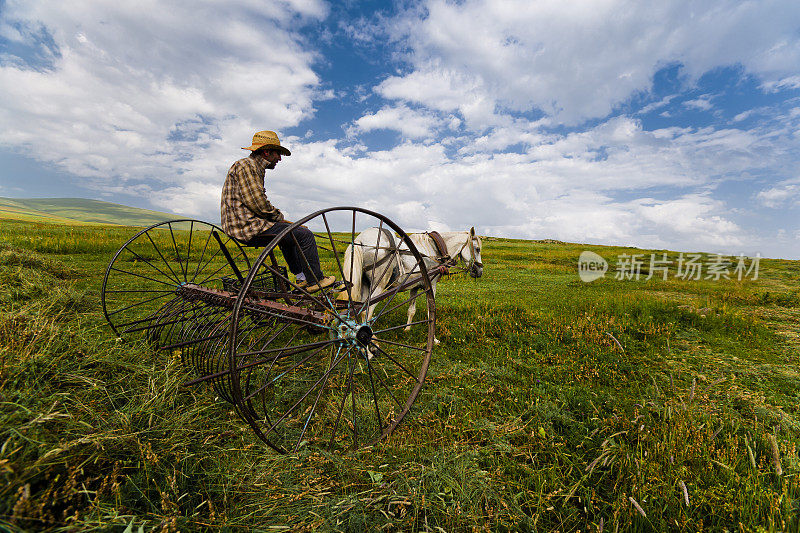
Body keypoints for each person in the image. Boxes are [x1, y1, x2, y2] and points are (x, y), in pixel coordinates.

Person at [221, 130, 335, 292]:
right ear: (266, 152)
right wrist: (278, 217)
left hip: (245, 224)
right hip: (247, 226)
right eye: (278, 153)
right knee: (305, 235)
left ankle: (302, 277)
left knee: (290, 235)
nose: (280, 158)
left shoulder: (252, 168)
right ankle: (315, 280)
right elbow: (257, 203)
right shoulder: (248, 166)